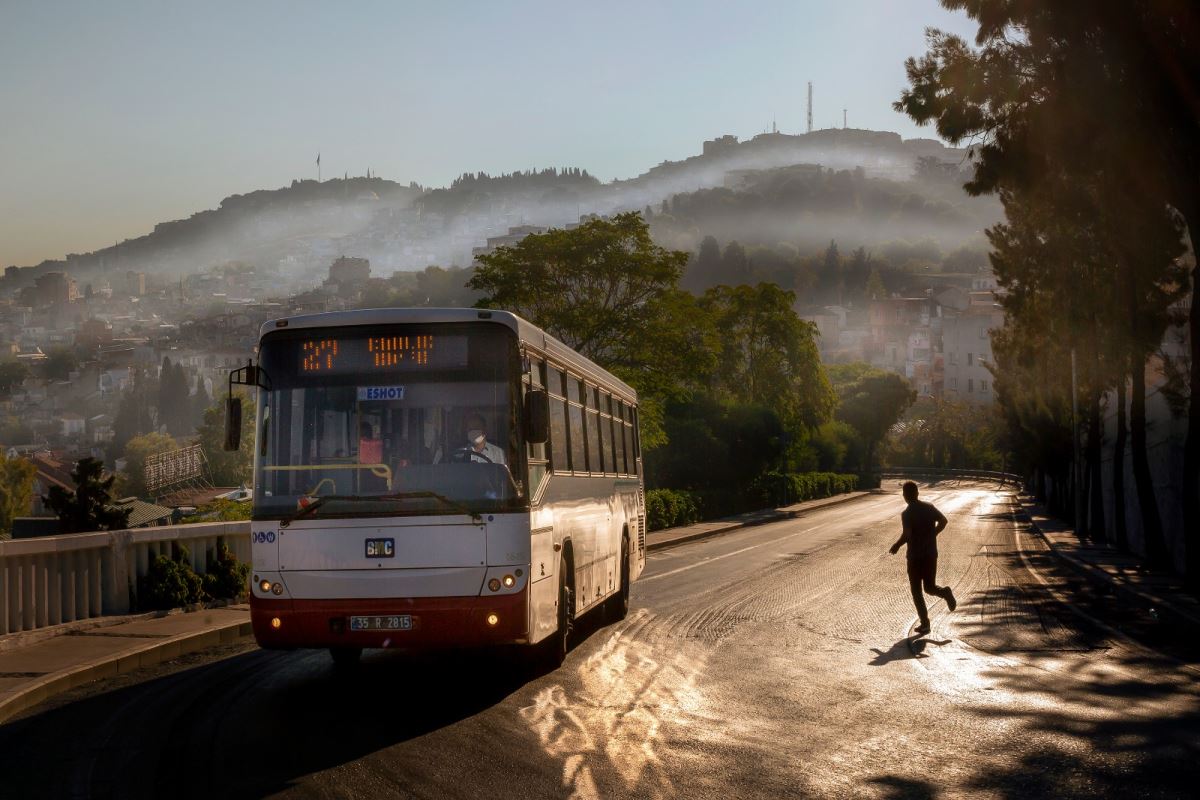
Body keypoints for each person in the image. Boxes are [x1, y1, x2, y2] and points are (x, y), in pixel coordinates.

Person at [889, 481, 956, 635]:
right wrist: (933, 533)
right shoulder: (929, 508)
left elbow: (908, 535)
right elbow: (944, 521)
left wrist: (897, 545)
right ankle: (945, 593)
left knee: (917, 591)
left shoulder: (907, 514)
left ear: (905, 496)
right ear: (917, 493)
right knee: (930, 587)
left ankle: (925, 623)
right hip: (931, 554)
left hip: (915, 556)